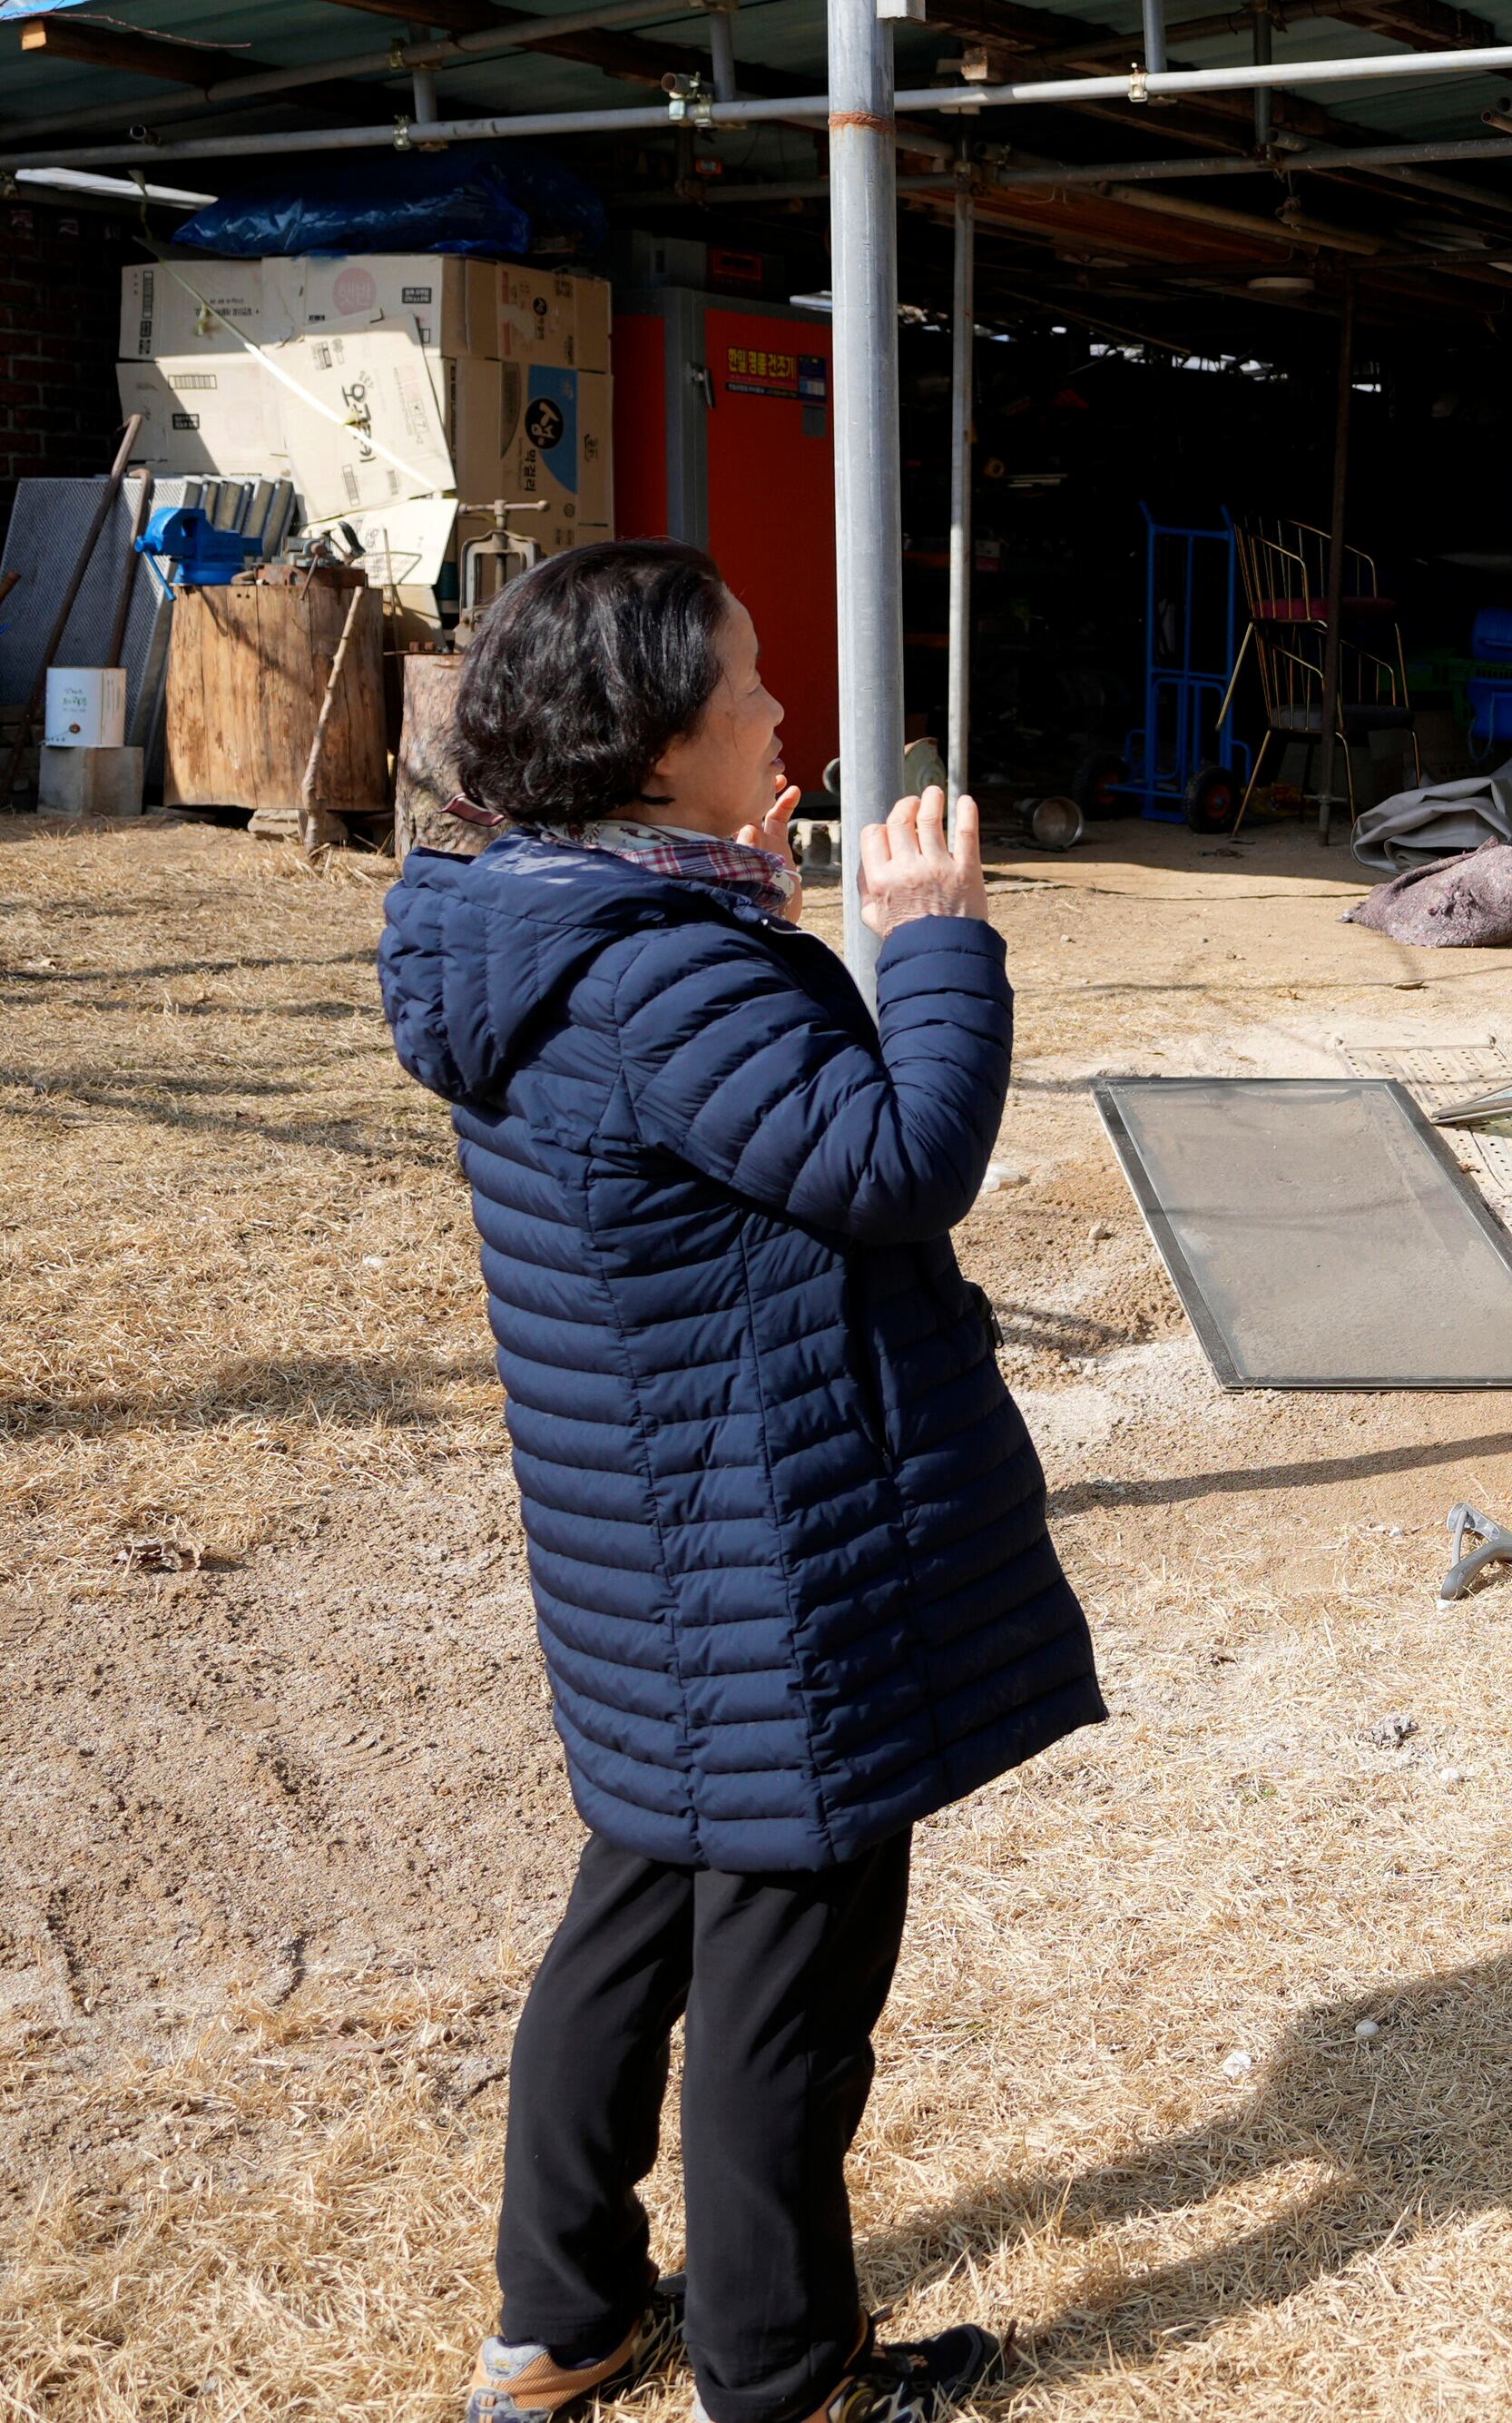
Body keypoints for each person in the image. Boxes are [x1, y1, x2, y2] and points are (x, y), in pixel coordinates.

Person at [378, 541, 1100, 2423]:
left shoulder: (552, 919)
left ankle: (564, 2321)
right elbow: (891, 1160)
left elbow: (731, 1152)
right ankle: (782, 2372)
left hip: (662, 1553)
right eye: (752, 690)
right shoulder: (658, 969)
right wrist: (933, 935)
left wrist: (766, 917)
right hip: (773, 1558)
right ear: (649, 745)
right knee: (789, 1982)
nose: (786, 712)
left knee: (632, 1922)